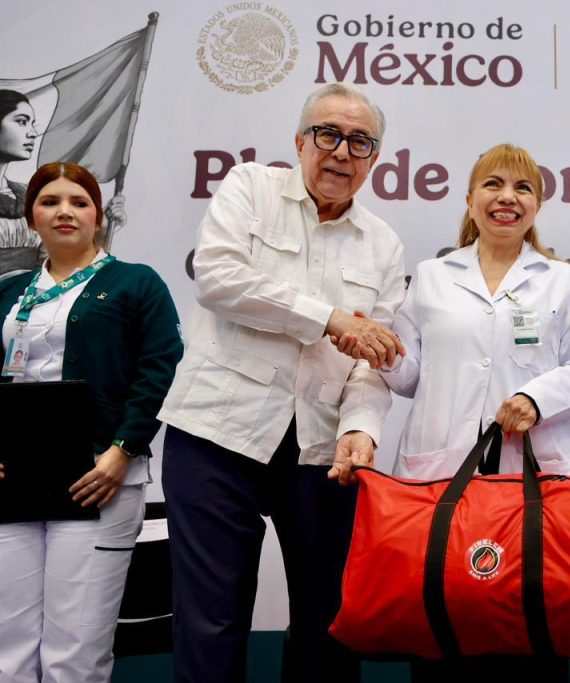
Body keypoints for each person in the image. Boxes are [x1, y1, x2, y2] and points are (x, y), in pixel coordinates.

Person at [157, 82, 406, 683]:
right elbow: (218, 279)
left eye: (360, 142)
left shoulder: (384, 243)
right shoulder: (250, 187)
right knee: (211, 623)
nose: (342, 152)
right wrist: (331, 318)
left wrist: (361, 429)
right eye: (328, 134)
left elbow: (373, 359)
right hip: (217, 431)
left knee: (330, 626)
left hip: (322, 450)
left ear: (375, 158)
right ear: (299, 142)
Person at [355, 143, 570, 681]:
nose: (507, 198)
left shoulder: (561, 279)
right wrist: (382, 353)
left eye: (522, 188)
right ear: (470, 200)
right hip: (440, 477)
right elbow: (412, 375)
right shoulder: (432, 276)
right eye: (493, 185)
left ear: (537, 206)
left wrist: (536, 400)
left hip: (528, 482)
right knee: (441, 624)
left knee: (527, 626)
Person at [0, 161, 182, 683]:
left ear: (98, 217)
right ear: (31, 218)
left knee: (74, 651)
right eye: (50, 202)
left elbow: (159, 370)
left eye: (79, 202)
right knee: (9, 648)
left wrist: (123, 451)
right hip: (14, 480)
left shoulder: (136, 283)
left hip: (99, 475)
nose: (65, 212)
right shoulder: (9, 291)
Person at [0, 90, 44, 276]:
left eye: (32, 124)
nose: (33, 133)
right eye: (21, 121)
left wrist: (103, 223)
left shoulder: (29, 194)